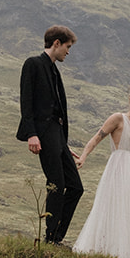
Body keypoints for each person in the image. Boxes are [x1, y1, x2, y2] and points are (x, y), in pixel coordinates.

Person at [72, 79, 130, 258]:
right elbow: (97, 138)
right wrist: (83, 157)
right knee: (115, 209)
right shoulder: (118, 119)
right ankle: (107, 252)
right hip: (118, 171)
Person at [16, 25, 83, 244]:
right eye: (67, 47)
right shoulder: (33, 64)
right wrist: (31, 134)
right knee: (56, 182)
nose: (68, 52)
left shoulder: (55, 70)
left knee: (75, 187)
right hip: (43, 133)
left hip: (57, 136)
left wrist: (63, 143)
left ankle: (56, 236)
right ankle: (51, 239)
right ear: (56, 43)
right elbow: (26, 102)